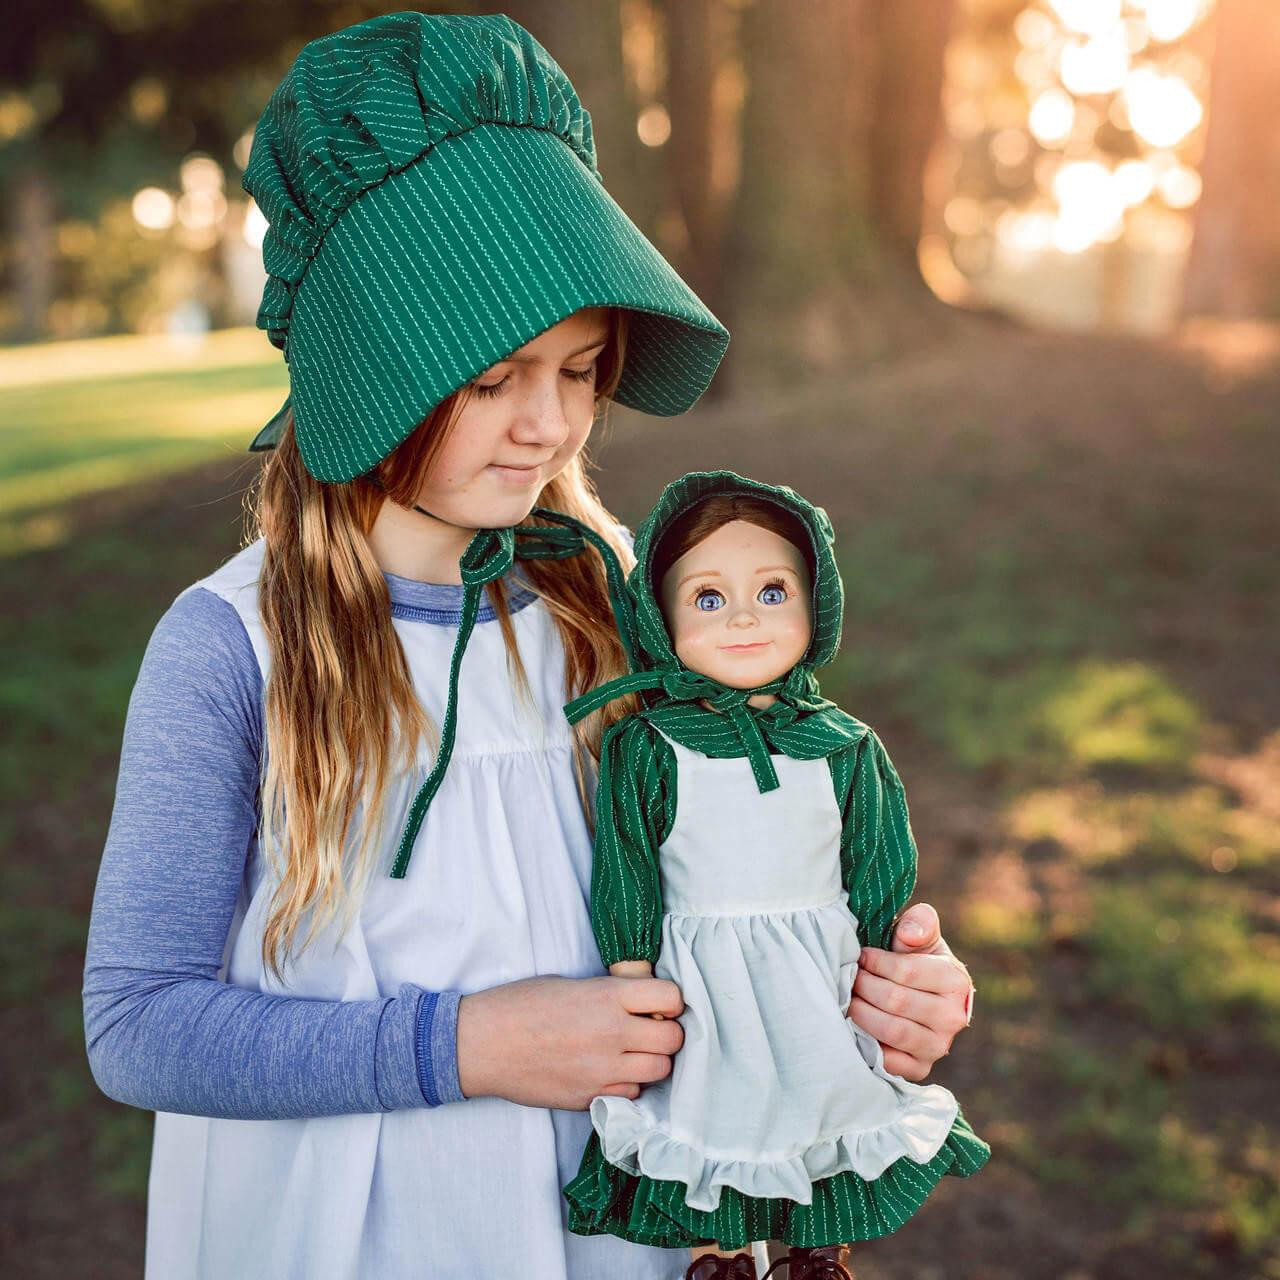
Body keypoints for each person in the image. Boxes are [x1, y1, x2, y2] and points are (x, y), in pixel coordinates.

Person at [81, 13, 977, 1279]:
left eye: (581, 367)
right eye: (493, 377)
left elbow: (747, 890)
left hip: (617, 1235)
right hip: (351, 1237)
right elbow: (137, 1022)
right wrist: (469, 1043)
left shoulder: (625, 612)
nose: (548, 426)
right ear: (374, 358)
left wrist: (877, 987)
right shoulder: (233, 647)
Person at [553, 474, 990, 1279]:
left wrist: (885, 959)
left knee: (823, 1095)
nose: (744, 617)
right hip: (702, 977)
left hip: (818, 964)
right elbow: (628, 867)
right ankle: (719, 1255)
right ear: (662, 619)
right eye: (708, 598)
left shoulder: (843, 744)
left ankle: (818, 1249)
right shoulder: (651, 747)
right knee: (714, 1110)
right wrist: (631, 974)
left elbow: (878, 859)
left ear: (817, 604)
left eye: (772, 591)